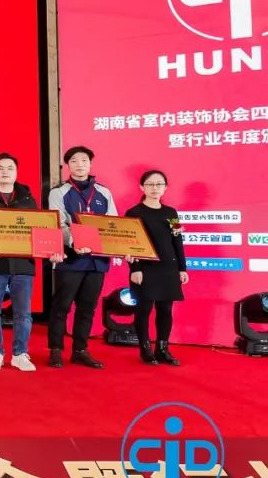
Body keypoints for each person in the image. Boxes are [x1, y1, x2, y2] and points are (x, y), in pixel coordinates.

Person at [0, 153, 62, 372]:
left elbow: (41, 231)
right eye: (0, 168)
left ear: (16, 172)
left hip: (23, 265)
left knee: (23, 313)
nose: (5, 171)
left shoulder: (28, 200)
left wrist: (52, 250)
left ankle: (20, 354)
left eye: (10, 168)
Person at [46, 146, 118, 369]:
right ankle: (56, 349)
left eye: (84, 160)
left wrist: (111, 245)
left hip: (97, 260)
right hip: (71, 259)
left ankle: (80, 350)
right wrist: (74, 241)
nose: (80, 164)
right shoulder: (59, 192)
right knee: (62, 306)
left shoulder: (104, 192)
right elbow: (58, 223)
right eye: (74, 161)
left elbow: (113, 222)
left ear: (90, 164)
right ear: (68, 165)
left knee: (88, 308)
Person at [126, 170, 188, 366]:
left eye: (159, 184)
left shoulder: (171, 213)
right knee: (143, 309)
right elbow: (129, 243)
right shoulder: (133, 213)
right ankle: (145, 349)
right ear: (142, 187)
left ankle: (162, 349)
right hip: (145, 268)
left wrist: (182, 268)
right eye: (150, 184)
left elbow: (177, 240)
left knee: (165, 309)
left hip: (168, 268)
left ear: (165, 188)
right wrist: (135, 268)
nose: (155, 188)